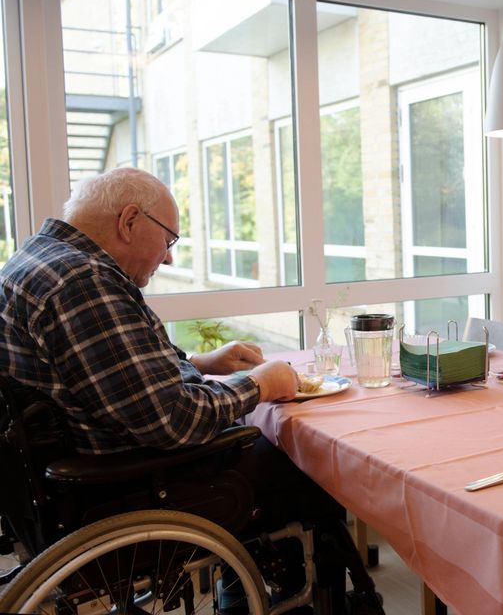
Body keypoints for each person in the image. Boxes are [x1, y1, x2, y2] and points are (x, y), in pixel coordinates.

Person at [0, 167, 383, 614]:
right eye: (168, 240)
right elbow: (173, 420)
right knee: (307, 463)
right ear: (129, 221)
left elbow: (103, 373)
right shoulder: (82, 281)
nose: (168, 259)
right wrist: (259, 384)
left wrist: (201, 363)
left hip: (56, 484)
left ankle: (246, 589)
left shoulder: (35, 259)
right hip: (121, 483)